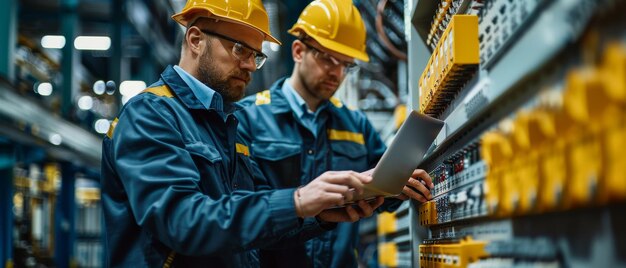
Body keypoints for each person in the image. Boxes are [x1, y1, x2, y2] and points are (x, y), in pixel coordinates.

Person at [100, 1, 385, 267]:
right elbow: (183, 222)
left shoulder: (227, 124)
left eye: (256, 55)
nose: (250, 65)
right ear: (196, 40)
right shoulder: (151, 115)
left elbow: (251, 228)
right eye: (240, 49)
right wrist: (297, 201)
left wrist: (316, 215)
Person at [235, 0, 434, 267]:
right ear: (297, 51)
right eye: (328, 59)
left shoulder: (356, 125)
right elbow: (245, 212)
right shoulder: (246, 118)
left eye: (346, 64)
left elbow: (382, 190)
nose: (337, 73)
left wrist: (399, 186)